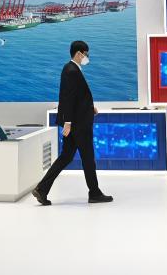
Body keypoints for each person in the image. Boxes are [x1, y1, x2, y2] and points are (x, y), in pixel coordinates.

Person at [32, 40, 112, 206]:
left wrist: (90, 108)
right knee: (88, 158)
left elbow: (77, 97)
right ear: (79, 53)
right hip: (79, 124)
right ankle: (94, 193)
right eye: (86, 54)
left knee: (66, 156)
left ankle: (42, 189)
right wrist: (67, 122)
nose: (87, 57)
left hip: (77, 122)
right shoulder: (71, 70)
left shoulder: (71, 69)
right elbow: (67, 98)